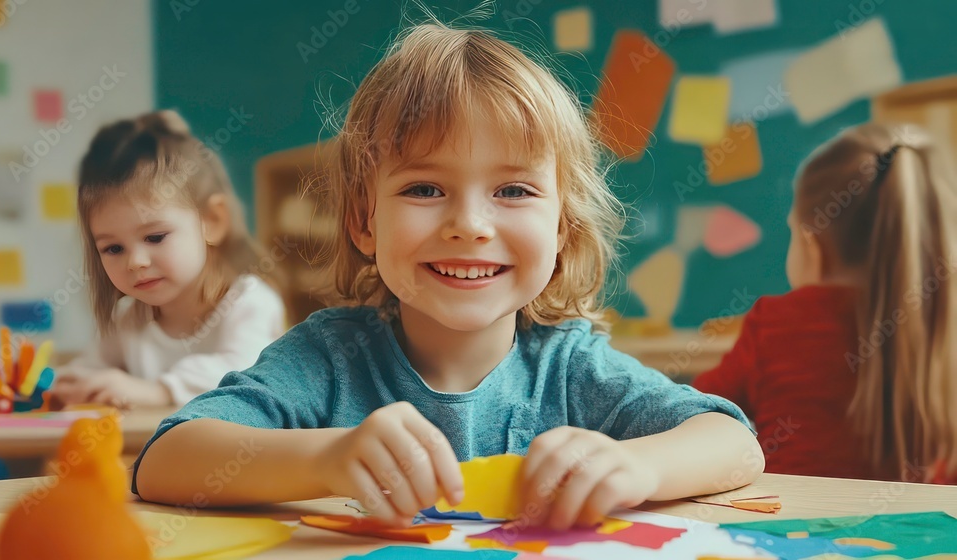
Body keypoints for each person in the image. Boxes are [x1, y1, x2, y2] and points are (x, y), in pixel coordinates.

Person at [134, 24, 761, 529]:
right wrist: (327, 458)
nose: (469, 225)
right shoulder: (330, 356)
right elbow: (165, 460)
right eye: (425, 188)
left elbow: (733, 442)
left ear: (563, 229)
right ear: (364, 222)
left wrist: (636, 466)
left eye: (513, 189)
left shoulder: (570, 366)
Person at [695, 123, 957, 484]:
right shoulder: (943, 325)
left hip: (789, 533)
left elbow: (694, 410)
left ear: (811, 247)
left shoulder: (777, 323)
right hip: (933, 537)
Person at [50, 111, 285, 409]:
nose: (135, 261)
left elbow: (246, 373)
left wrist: (159, 391)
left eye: (155, 237)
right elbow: (92, 371)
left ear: (211, 221)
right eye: (113, 249)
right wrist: (46, 383)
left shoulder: (249, 302)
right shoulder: (130, 317)